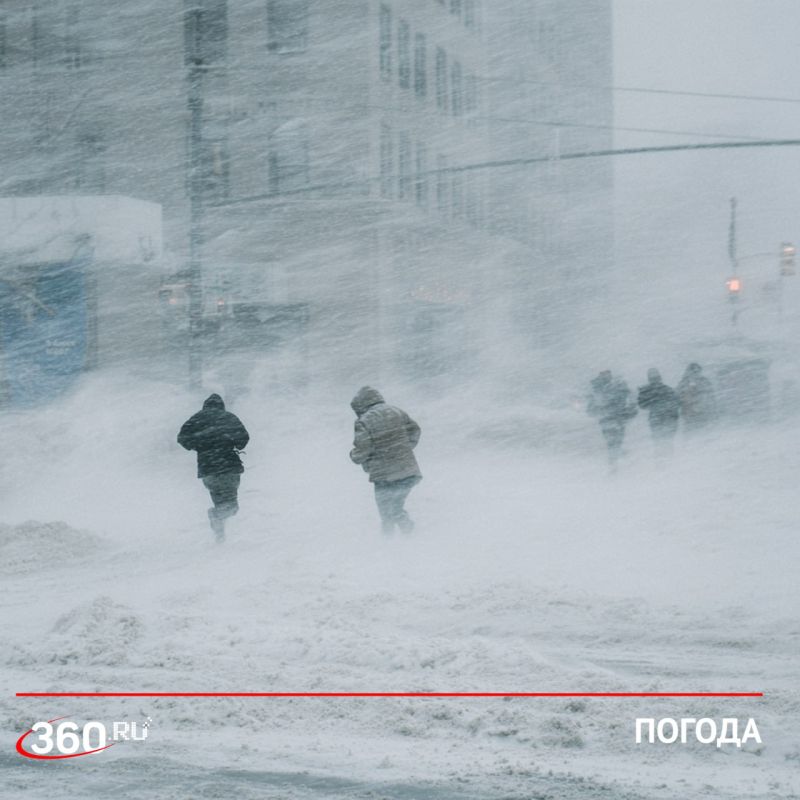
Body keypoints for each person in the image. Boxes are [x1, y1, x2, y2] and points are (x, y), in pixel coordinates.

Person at [349, 386, 422, 534]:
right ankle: (408, 540)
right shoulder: (396, 411)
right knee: (396, 508)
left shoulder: (364, 420)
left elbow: (362, 451)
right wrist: (404, 448)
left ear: (361, 405)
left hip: (384, 475)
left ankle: (389, 544)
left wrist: (354, 455)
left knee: (386, 513)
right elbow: (415, 431)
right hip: (408, 471)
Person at [178, 393, 250, 541]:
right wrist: (233, 443)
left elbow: (182, 438)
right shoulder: (228, 417)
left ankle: (220, 536)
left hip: (207, 468)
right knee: (231, 506)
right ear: (221, 405)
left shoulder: (196, 418)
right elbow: (243, 438)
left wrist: (198, 446)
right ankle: (217, 517)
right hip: (228, 466)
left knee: (218, 501)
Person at [587, 370, 637, 470]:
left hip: (610, 421)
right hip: (616, 420)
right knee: (614, 442)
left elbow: (591, 410)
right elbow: (591, 410)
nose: (608, 377)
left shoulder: (600, 389)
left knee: (612, 443)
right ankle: (614, 462)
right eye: (606, 375)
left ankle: (614, 462)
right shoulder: (614, 389)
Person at [637, 368, 681, 459]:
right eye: (653, 378)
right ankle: (666, 462)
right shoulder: (667, 389)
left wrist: (645, 395)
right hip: (663, 420)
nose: (654, 380)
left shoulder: (649, 390)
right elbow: (676, 403)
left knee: (660, 442)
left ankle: (662, 463)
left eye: (655, 378)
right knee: (665, 442)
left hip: (658, 419)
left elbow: (642, 405)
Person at [676, 362, 717, 432]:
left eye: (698, 371)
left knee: (703, 435)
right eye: (694, 371)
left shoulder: (705, 381)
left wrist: (713, 411)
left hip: (702, 414)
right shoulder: (683, 383)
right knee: (691, 435)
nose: (696, 373)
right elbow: (679, 398)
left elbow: (711, 397)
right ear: (689, 372)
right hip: (689, 415)